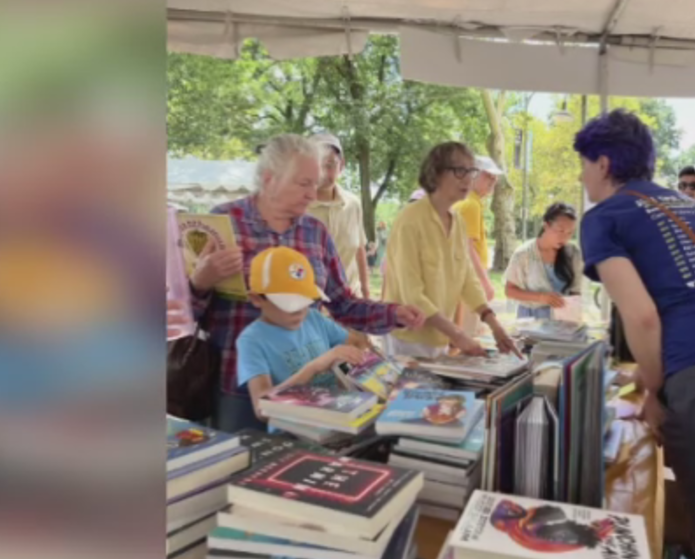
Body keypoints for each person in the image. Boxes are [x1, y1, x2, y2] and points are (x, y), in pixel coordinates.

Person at [189, 134, 424, 432]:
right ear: (269, 179)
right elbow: (180, 313)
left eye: (316, 183)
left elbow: (341, 303)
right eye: (303, 183)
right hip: (237, 385)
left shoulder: (315, 232)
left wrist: (393, 314)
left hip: (308, 390)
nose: (313, 194)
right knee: (240, 467)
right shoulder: (223, 221)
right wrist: (199, 282)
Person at [575, 109, 695, 559]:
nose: (582, 177)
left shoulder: (604, 216)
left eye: (583, 165)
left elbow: (642, 316)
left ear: (603, 165)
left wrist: (654, 389)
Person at [383, 143, 519, 359]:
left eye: (471, 171)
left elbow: (467, 279)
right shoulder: (409, 220)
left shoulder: (457, 221)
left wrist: (494, 324)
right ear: (435, 173)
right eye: (459, 171)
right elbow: (413, 296)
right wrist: (459, 335)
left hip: (440, 338)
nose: (467, 179)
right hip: (408, 341)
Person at [237, 246, 367, 422]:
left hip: (337, 419)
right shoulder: (251, 340)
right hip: (293, 431)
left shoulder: (314, 318)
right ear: (256, 299)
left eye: (304, 300)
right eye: (289, 303)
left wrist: (347, 364)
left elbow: (358, 342)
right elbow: (261, 408)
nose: (299, 311)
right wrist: (313, 368)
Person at [307, 133, 372, 299]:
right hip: (309, 305)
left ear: (341, 166)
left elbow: (359, 250)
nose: (323, 173)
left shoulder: (352, 204)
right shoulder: (296, 206)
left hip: (349, 302)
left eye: (330, 165)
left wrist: (366, 293)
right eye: (318, 165)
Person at [504, 202, 584, 319]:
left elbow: (576, 292)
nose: (564, 237)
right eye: (560, 231)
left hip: (564, 323)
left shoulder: (573, 253)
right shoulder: (524, 254)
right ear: (546, 226)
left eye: (570, 233)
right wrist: (541, 297)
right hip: (530, 322)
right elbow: (509, 290)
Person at [453, 155, 504, 333]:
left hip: (460, 279)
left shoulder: (466, 201)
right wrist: (485, 282)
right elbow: (467, 248)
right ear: (473, 175)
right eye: (488, 175)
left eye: (495, 177)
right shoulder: (471, 205)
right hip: (468, 281)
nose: (494, 180)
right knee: (468, 336)